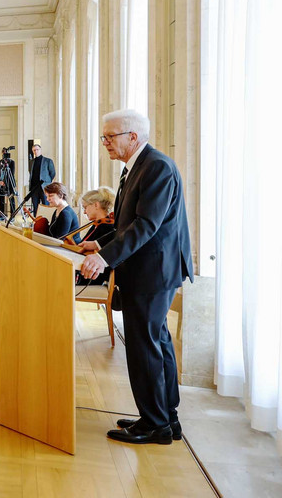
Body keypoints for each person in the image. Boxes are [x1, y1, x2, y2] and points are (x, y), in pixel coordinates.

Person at [79, 109, 193, 445]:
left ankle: (154, 424)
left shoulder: (156, 166)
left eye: (110, 137)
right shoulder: (135, 168)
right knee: (156, 342)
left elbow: (146, 225)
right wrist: (97, 243)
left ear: (133, 136)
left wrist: (104, 258)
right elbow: (125, 224)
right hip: (148, 269)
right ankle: (164, 417)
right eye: (104, 137)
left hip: (153, 271)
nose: (105, 143)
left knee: (144, 347)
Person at [74, 187, 117, 286]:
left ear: (96, 205)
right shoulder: (97, 225)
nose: (84, 212)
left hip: (92, 278)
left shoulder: (107, 228)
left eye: (85, 207)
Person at [29, 144, 56, 215]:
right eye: (34, 150)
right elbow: (31, 173)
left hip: (44, 187)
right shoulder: (31, 162)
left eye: (37, 150)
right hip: (34, 188)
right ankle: (37, 222)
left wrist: (47, 182)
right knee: (35, 207)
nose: (36, 151)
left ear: (40, 150)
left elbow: (52, 173)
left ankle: (47, 222)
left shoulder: (48, 161)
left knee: (46, 205)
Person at [0, 151, 18, 220]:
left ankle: (12, 216)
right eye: (3, 153)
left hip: (10, 184)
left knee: (11, 200)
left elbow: (11, 173)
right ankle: (2, 216)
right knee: (1, 201)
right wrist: (0, 181)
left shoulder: (12, 162)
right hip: (0, 184)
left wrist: (5, 182)